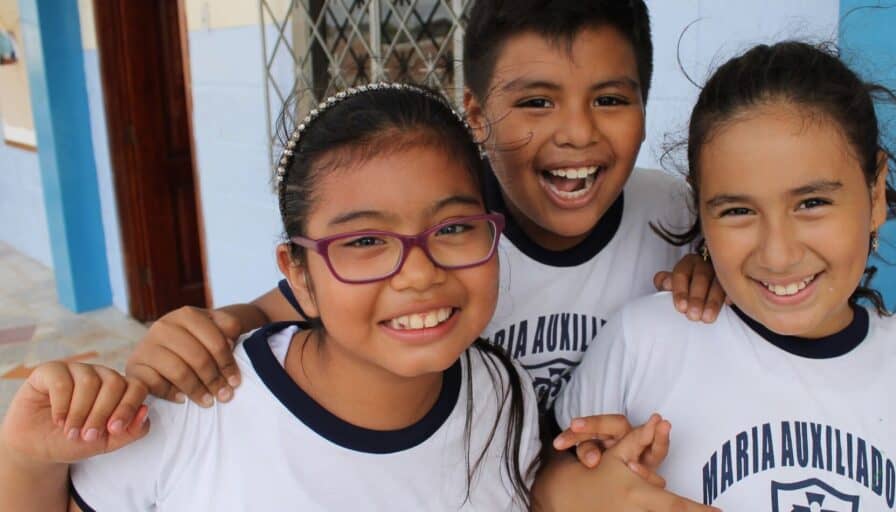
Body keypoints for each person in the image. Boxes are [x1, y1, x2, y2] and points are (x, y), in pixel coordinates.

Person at [125, 0, 725, 412]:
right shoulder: (444, 234)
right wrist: (207, 331)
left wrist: (717, 280)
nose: (576, 133)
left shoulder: (672, 211)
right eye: (536, 102)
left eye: (611, 98)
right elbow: (277, 309)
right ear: (474, 114)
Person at [0, 83, 541, 511]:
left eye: (453, 228)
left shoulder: (502, 391)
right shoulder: (195, 401)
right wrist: (26, 459)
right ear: (299, 275)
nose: (420, 274)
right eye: (365, 241)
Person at [551, 41, 896, 510]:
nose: (777, 254)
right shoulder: (645, 340)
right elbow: (543, 482)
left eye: (812, 203)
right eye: (737, 210)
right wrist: (576, 491)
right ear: (700, 209)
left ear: (875, 192)